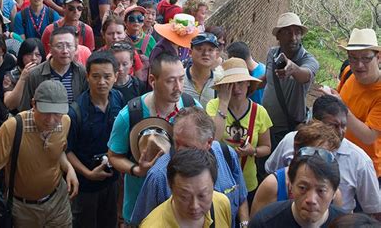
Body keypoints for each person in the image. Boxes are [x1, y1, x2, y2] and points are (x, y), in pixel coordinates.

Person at [107, 53, 201, 223]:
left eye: (181, 79)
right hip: (141, 209)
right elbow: (114, 156)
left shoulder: (192, 107)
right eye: (171, 80)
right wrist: (136, 170)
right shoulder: (130, 115)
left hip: (181, 209)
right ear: (152, 80)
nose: (178, 87)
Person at [0, 80, 78, 228]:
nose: (51, 120)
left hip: (58, 201)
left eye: (57, 113)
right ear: (33, 104)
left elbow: (58, 149)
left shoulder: (65, 122)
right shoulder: (13, 128)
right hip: (24, 209)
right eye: (45, 112)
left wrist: (69, 168)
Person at [264, 95, 381, 217]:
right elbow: (272, 173)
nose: (340, 132)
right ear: (315, 123)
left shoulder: (360, 160)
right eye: (333, 125)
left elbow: (373, 208)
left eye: (343, 125)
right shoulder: (290, 141)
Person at [132, 107, 248, 227]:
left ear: (209, 142)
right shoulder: (158, 176)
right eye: (176, 143)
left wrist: (245, 224)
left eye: (187, 146)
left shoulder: (227, 154)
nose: (179, 151)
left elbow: (241, 197)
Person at [67, 51, 124, 228]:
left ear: (116, 76)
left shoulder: (118, 99)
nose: (101, 82)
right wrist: (88, 173)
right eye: (96, 76)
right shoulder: (76, 111)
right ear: (88, 77)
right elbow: (67, 150)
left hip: (112, 180)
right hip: (85, 186)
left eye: (107, 76)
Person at [207, 58, 272, 203]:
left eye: (240, 83)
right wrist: (223, 103)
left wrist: (253, 151)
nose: (236, 89)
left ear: (248, 83)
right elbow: (214, 140)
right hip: (219, 178)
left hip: (247, 181)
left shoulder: (259, 112)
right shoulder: (213, 106)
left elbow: (267, 147)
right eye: (231, 84)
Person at [251, 120, 343, 217]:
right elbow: (256, 222)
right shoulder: (273, 186)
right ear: (296, 152)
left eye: (326, 156)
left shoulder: (334, 194)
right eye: (302, 188)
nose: (318, 161)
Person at [262, 12, 319, 147]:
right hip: (265, 125)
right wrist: (249, 85)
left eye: (297, 33)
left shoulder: (309, 60)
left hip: (287, 130)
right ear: (278, 36)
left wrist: (293, 68)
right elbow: (268, 78)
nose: (293, 38)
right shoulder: (272, 53)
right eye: (288, 32)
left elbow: (305, 75)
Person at [248, 148, 345, 227]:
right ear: (291, 185)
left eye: (321, 191)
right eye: (303, 188)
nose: (311, 200)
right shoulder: (265, 222)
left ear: (334, 192)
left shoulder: (346, 224)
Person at [330, 28, 381, 179]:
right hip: (339, 158)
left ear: (378, 57)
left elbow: (369, 136)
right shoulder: (348, 72)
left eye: (366, 58)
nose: (359, 65)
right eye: (353, 58)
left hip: (367, 169)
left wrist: (342, 108)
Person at [140, 148, 232, 227]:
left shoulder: (221, 204)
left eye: (202, 195)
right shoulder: (152, 225)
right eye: (185, 197)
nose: (195, 206)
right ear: (170, 186)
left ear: (213, 185)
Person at [19, 26, 88, 110]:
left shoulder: (81, 71)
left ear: (76, 48)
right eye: (59, 46)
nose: (65, 51)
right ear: (50, 49)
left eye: (69, 46)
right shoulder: (36, 74)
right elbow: (26, 107)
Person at [3, 38, 46, 111]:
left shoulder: (46, 72)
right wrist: (22, 78)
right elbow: (10, 105)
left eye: (38, 55)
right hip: (18, 115)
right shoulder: (11, 75)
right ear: (22, 56)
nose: (33, 58)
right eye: (29, 54)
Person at [184, 33, 220, 108]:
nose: (206, 53)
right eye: (199, 49)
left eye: (210, 50)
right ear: (190, 52)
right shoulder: (179, 78)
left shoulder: (220, 82)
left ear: (216, 55)